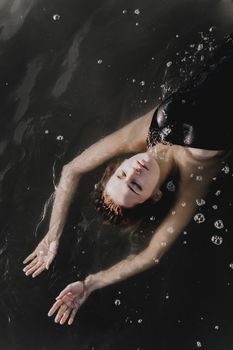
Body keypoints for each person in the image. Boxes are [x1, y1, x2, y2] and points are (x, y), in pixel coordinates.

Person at [23, 34, 233, 326]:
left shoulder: (143, 134)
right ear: (155, 195)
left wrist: (52, 235)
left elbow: (71, 169)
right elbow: (152, 254)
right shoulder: (194, 174)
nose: (133, 172)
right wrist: (91, 283)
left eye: (122, 173)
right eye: (135, 186)